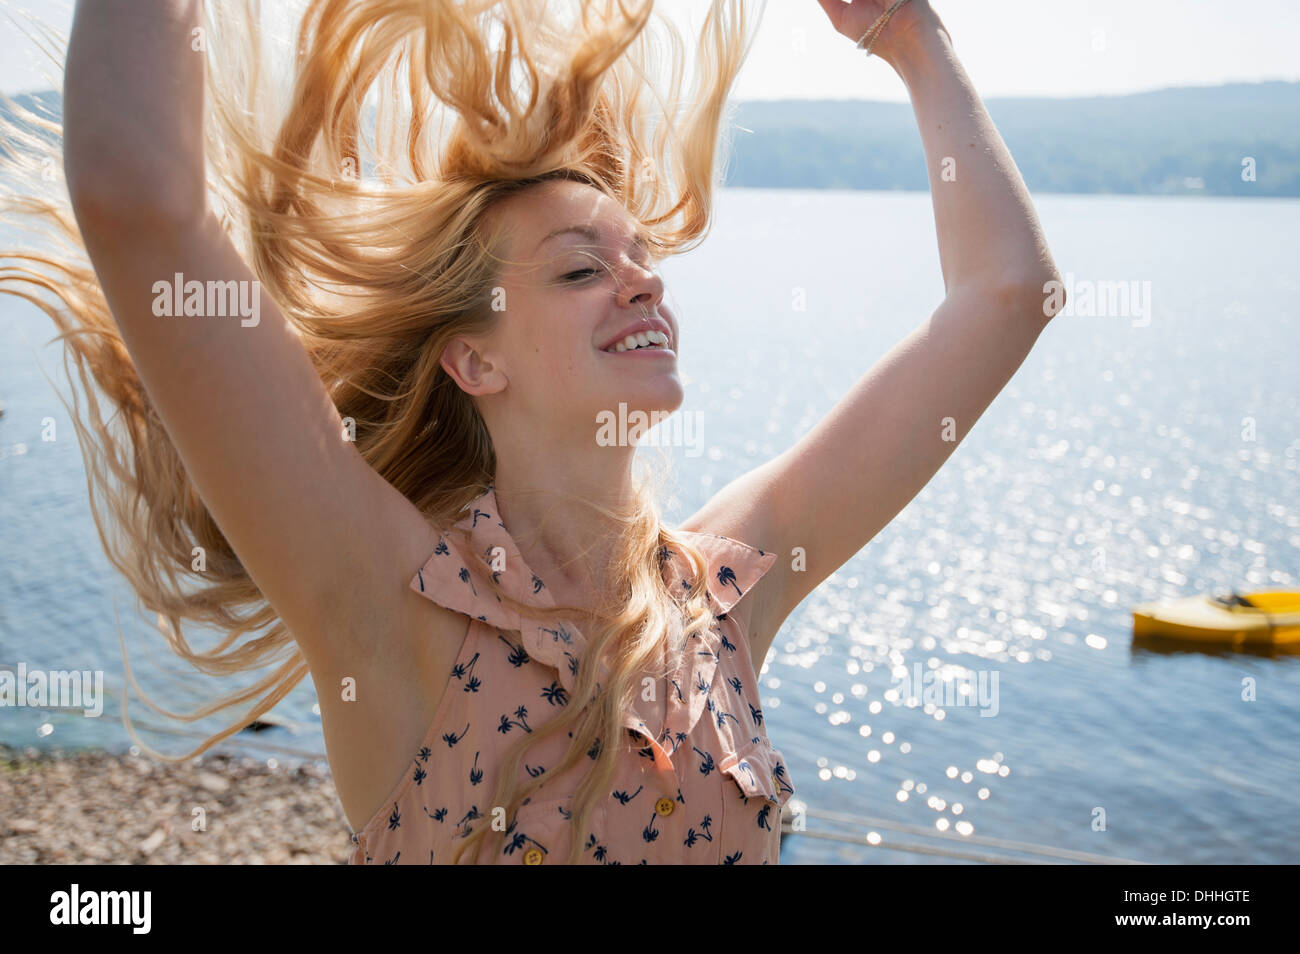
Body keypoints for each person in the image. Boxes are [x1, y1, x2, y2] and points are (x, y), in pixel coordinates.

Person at [0, 0, 1063, 864]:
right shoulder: (388, 601)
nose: (642, 279)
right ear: (476, 362)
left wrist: (913, 38)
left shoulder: (728, 590)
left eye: (640, 256)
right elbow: (140, 200)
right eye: (579, 268)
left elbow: (1009, 298)